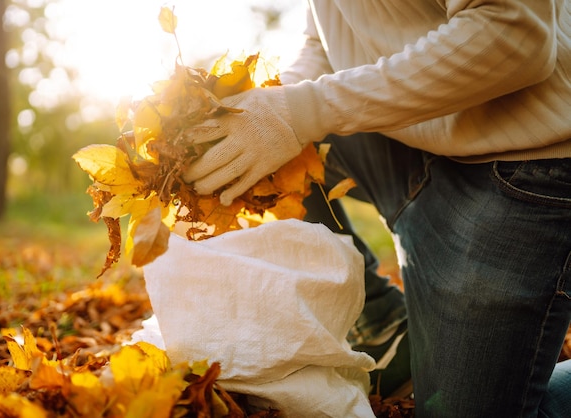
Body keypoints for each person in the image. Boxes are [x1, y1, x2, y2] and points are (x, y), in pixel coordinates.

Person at [183, 1, 571, 416]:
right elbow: (323, 44)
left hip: (526, 167)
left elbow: (512, 35)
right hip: (411, 143)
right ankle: (384, 327)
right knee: (270, 165)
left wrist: (301, 111)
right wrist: (269, 103)